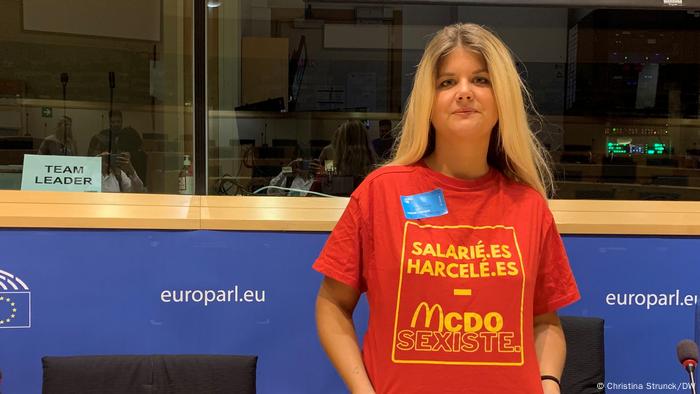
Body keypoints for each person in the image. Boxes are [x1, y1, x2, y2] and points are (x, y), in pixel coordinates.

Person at [313, 23, 579, 394]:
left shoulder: (529, 205)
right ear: (428, 103)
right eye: (447, 82)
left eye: (481, 80)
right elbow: (332, 304)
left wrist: (549, 383)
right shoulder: (380, 193)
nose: (465, 92)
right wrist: (362, 389)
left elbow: (545, 321)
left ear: (502, 100)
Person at [88, 110, 148, 187]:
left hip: (125, 173)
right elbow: (91, 160)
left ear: (122, 122)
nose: (116, 124)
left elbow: (140, 155)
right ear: (109, 122)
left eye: (118, 121)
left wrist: (130, 157)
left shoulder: (128, 136)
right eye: (113, 122)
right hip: (107, 174)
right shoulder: (101, 137)